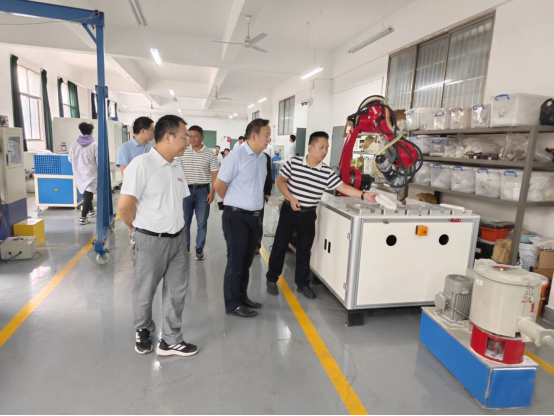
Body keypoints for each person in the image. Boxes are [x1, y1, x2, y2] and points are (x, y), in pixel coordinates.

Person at [118, 115, 199, 358]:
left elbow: (176, 202)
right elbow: (125, 206)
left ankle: (171, 340)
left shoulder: (176, 166)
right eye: (184, 137)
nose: (188, 142)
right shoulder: (141, 165)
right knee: (145, 290)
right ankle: (143, 330)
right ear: (168, 137)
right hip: (150, 240)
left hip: (178, 240)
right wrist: (134, 228)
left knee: (176, 292)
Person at [266, 131, 378, 300]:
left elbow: (343, 187)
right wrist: (291, 197)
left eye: (327, 147)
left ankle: (302, 284)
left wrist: (364, 195)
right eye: (321, 147)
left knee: (304, 250)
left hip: (308, 215)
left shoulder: (326, 172)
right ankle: (272, 279)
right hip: (289, 211)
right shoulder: (294, 163)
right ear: (310, 147)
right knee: (280, 245)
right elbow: (280, 181)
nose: (325, 151)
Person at [214, 119, 271, 319]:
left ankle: (242, 297)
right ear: (254, 136)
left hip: (254, 217)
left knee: (246, 261)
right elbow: (219, 185)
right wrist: (233, 202)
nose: (269, 139)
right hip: (236, 217)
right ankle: (232, 304)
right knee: (236, 262)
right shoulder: (236, 157)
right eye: (266, 135)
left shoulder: (263, 158)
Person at [176, 125, 219, 260]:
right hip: (186, 191)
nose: (192, 139)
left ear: (202, 137)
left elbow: (215, 175)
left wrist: (212, 192)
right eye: (189, 136)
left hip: (203, 191)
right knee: (185, 222)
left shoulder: (210, 154)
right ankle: (186, 247)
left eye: (195, 136)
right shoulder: (183, 152)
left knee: (202, 222)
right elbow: (176, 172)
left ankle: (199, 248)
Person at [68, 122, 98, 226]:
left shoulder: (74, 143)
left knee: (86, 192)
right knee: (88, 193)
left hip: (78, 172)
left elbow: (70, 158)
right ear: (91, 132)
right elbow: (98, 160)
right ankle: (83, 217)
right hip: (90, 172)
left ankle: (91, 210)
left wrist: (78, 164)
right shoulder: (94, 145)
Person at [255, 149, 273, 256]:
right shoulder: (240, 154)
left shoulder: (266, 157)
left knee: (258, 220)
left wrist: (267, 192)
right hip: (244, 194)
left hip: (259, 194)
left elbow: (268, 175)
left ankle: (256, 245)